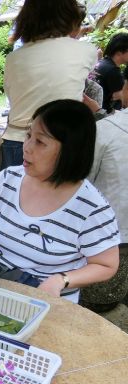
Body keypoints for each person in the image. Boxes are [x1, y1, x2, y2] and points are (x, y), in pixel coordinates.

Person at [0, 99, 120, 303]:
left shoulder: (91, 208)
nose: (26, 147)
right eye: (28, 136)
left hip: (49, 304)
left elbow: (106, 265)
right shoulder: (7, 179)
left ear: (71, 151)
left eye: (40, 142)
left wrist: (62, 280)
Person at [1, 0, 95, 170]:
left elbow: (12, 97)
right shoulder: (86, 51)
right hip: (61, 142)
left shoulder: (13, 58)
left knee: (13, 194)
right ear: (69, 17)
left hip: (16, 139)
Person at [81, 107, 128, 310]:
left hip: (105, 235)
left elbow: (81, 178)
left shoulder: (105, 130)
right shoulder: (106, 129)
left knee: (96, 304)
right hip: (115, 235)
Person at [94, 32, 128, 114]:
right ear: (119, 52)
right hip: (102, 114)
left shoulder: (103, 63)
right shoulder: (112, 71)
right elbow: (122, 96)